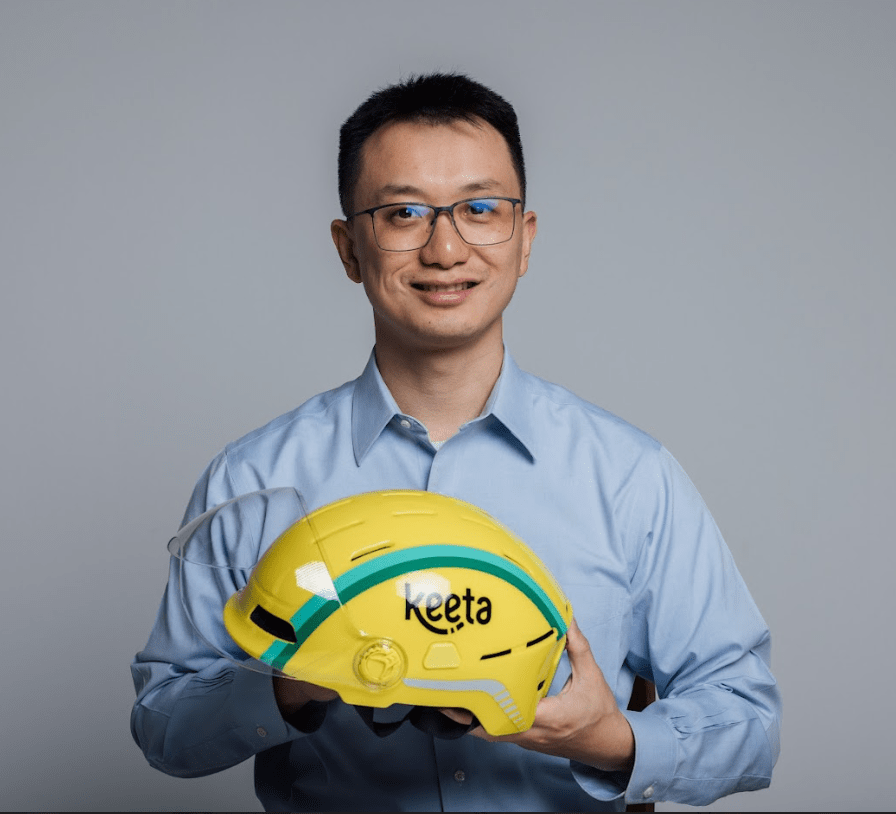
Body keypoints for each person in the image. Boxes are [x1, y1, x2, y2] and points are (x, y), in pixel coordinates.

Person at [131, 72, 781, 812]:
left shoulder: (631, 476)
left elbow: (751, 726)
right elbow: (163, 725)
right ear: (349, 249)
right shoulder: (250, 479)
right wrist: (291, 684)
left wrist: (609, 739)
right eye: (403, 213)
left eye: (479, 208)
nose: (445, 248)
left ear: (524, 238)